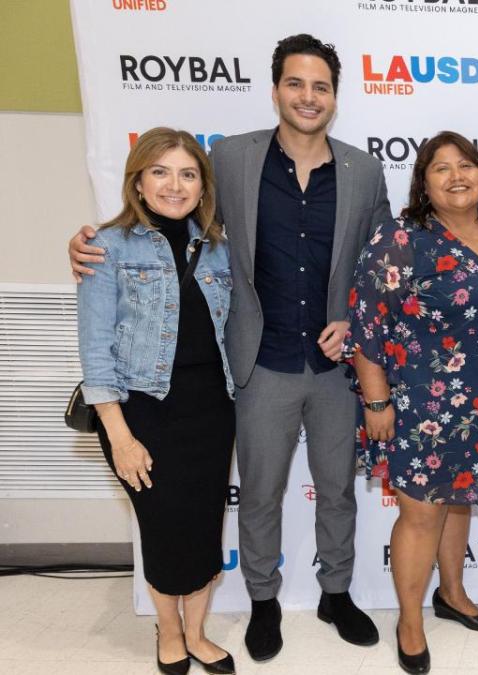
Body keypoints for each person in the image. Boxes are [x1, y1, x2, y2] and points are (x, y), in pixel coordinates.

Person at [70, 34, 392, 661]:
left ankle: (336, 593)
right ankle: (264, 602)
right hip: (254, 362)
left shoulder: (364, 170)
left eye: (320, 86)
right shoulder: (230, 159)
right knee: (262, 490)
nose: (308, 96)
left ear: (335, 97)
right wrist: (90, 243)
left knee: (337, 489)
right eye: (295, 84)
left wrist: (354, 321)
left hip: (334, 367)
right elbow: (167, 211)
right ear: (275, 90)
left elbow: (378, 267)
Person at [343, 131, 478, 674]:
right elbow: (367, 321)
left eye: (466, 164)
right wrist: (376, 400)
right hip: (419, 407)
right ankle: (409, 621)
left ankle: (452, 594)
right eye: (440, 168)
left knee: (460, 501)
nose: (456, 175)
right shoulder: (403, 239)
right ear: (423, 183)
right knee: (422, 515)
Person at [77, 127, 237, 675]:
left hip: (211, 410)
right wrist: (119, 435)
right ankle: (168, 630)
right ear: (138, 183)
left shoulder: (217, 247)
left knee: (202, 526)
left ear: (202, 185)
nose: (175, 184)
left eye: (188, 173)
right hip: (141, 412)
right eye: (161, 172)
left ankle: (196, 632)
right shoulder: (105, 246)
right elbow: (95, 350)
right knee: (164, 527)